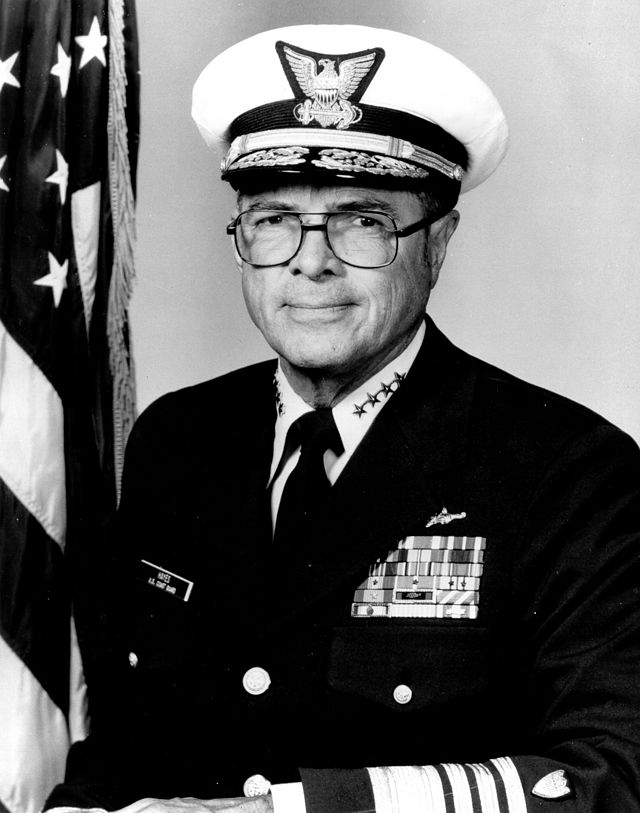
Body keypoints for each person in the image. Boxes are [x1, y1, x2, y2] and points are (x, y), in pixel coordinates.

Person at [46, 24, 640, 813]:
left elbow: (610, 776)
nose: (310, 259)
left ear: (439, 242)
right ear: (241, 238)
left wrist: (285, 811)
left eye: (362, 220)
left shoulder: (568, 470)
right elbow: (125, 740)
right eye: (273, 218)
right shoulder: (178, 440)